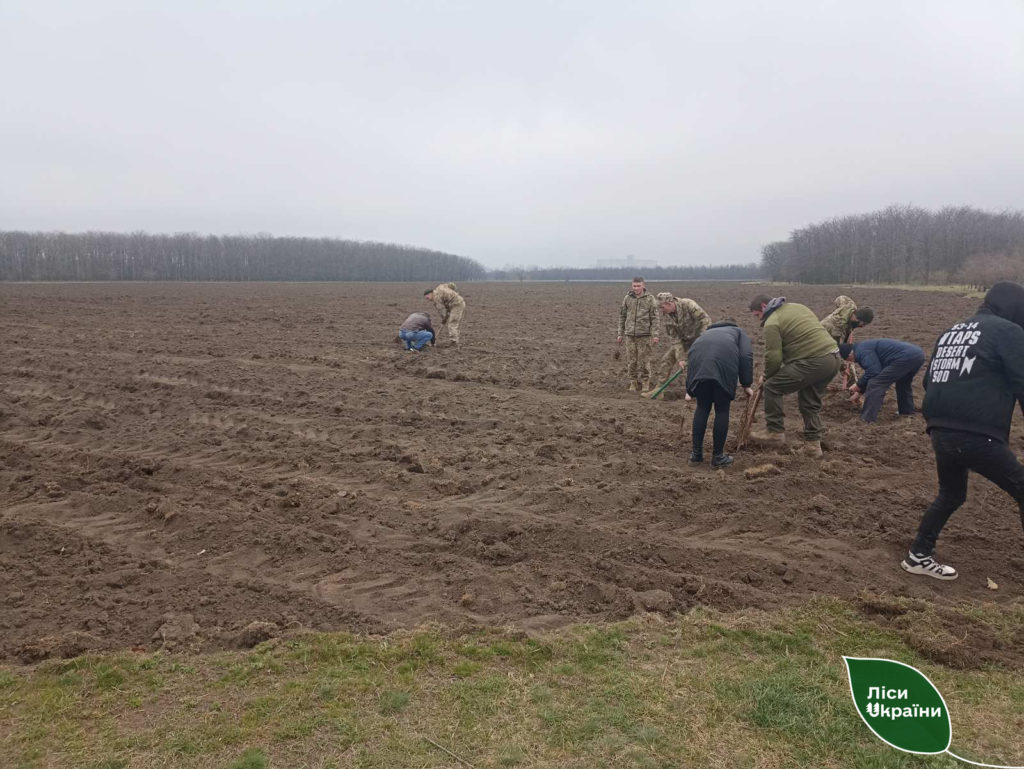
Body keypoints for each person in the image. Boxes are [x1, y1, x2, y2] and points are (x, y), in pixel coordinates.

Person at [902, 281, 1024, 580]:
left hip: (940, 429)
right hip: (976, 432)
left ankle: (919, 555)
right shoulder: (1009, 332)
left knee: (952, 493)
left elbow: (929, 381)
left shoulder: (951, 332)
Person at [747, 295, 842, 457]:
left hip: (813, 361)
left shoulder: (772, 322)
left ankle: (774, 432)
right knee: (809, 402)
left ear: (764, 306)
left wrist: (767, 376)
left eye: (757, 315)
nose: (758, 319)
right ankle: (813, 446)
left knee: (772, 386)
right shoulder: (798, 307)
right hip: (833, 359)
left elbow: (774, 357)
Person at [684, 319, 754, 467]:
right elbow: (746, 356)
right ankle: (718, 457)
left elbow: (692, 357)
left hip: (700, 372)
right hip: (724, 370)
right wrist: (746, 384)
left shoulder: (705, 334)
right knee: (722, 410)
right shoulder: (739, 333)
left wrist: (690, 389)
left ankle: (696, 455)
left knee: (702, 407)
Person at [838, 339, 925, 423]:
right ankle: (907, 411)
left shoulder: (861, 351)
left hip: (904, 357)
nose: (852, 362)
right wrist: (859, 392)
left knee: (876, 383)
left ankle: (867, 418)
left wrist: (858, 385)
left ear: (850, 354)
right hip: (917, 354)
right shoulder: (863, 347)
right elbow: (877, 370)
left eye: (849, 360)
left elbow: (874, 371)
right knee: (903, 382)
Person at [655, 292, 712, 386]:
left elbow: (706, 321)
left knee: (700, 362)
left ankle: (702, 387)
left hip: (700, 338)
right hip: (685, 341)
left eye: (662, 307)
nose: (661, 311)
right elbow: (675, 340)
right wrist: (680, 358)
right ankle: (659, 388)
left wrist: (702, 341)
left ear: (669, 304)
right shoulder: (667, 316)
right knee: (667, 359)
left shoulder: (688, 304)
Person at [616, 276, 661, 394]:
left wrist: (655, 335)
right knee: (631, 360)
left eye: (638, 286)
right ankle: (633, 382)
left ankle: (646, 381)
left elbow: (655, 319)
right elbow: (622, 316)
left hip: (645, 335)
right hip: (630, 335)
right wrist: (620, 333)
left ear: (643, 286)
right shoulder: (627, 298)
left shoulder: (650, 299)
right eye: (634, 286)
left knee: (644, 360)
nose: (636, 288)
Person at [821, 296, 874, 389]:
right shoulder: (837, 329)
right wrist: (842, 367)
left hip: (836, 337)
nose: (863, 326)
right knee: (829, 364)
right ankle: (818, 387)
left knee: (849, 360)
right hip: (821, 340)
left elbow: (839, 298)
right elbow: (835, 351)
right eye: (864, 324)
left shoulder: (850, 306)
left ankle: (852, 388)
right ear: (859, 319)